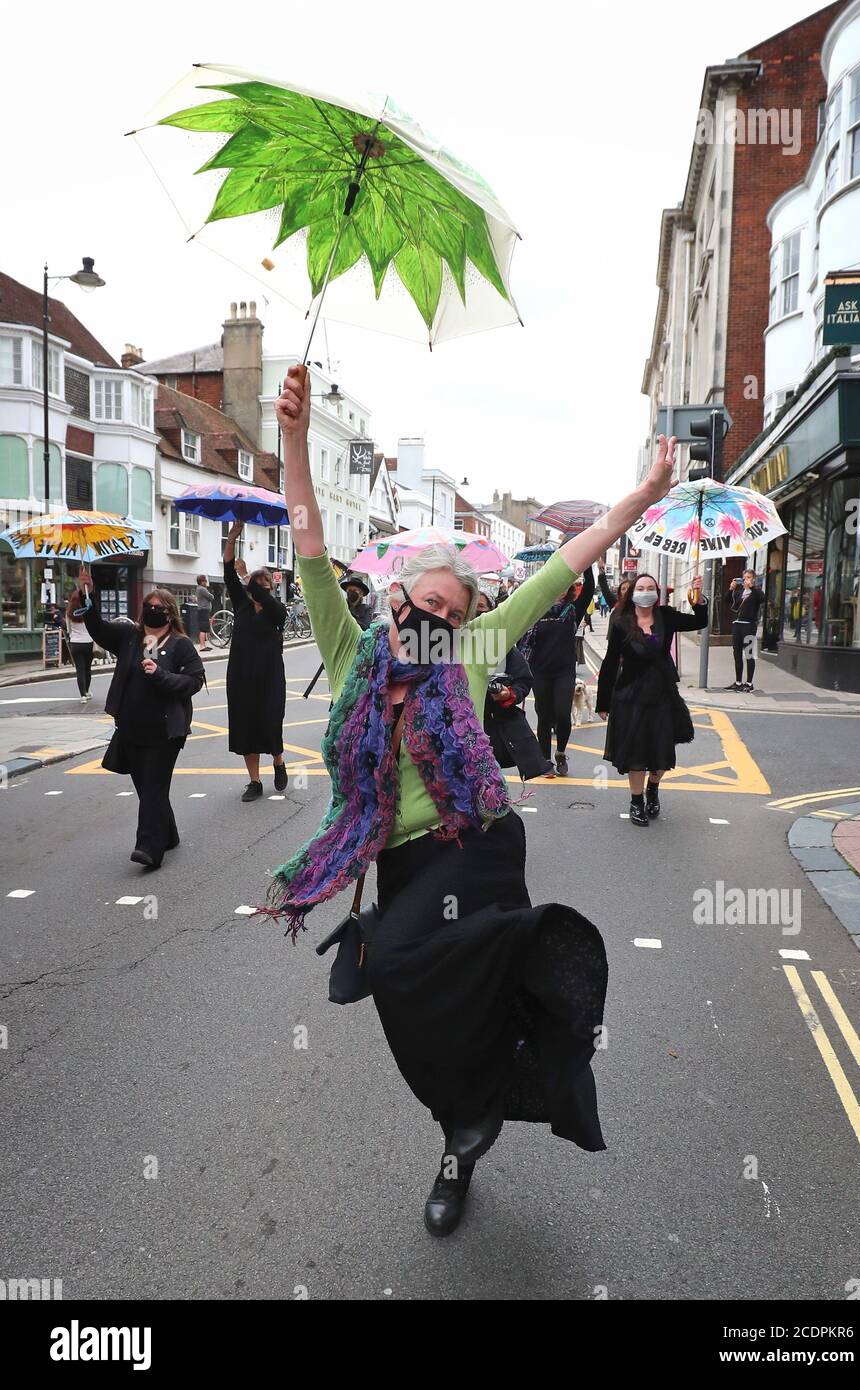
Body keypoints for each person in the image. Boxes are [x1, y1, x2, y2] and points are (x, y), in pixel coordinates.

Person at [269, 363, 676, 1236]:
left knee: (459, 970)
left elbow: (572, 556)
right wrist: (294, 438)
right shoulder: (353, 653)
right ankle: (462, 1126)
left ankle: (492, 1080)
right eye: (425, 603)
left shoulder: (478, 647)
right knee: (410, 999)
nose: (436, 620)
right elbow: (306, 538)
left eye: (452, 611)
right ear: (397, 600)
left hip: (480, 844)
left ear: (467, 617)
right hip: (404, 859)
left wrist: (641, 494)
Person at [77, 567, 204, 867]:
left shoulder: (180, 645)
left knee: (153, 788)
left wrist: (161, 675)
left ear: (170, 614)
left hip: (165, 733)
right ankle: (168, 834)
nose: (151, 611)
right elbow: (98, 629)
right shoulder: (129, 636)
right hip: (131, 729)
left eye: (158, 608)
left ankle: (149, 848)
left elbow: (194, 682)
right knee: (147, 789)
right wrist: (88, 593)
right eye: (148, 607)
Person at [595, 571, 708, 826]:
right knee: (635, 751)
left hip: (662, 693)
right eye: (641, 587)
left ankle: (653, 789)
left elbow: (699, 622)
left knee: (661, 748)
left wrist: (698, 598)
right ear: (633, 593)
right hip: (630, 694)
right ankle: (636, 802)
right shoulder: (621, 623)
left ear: (657, 594)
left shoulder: (665, 616)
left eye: (651, 587)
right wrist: (603, 702)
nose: (646, 591)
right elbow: (610, 663)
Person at [223, 521, 288, 802]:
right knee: (246, 725)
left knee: (270, 722)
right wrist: (231, 538)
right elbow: (227, 574)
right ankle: (254, 781)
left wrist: (248, 576)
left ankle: (278, 759)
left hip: (270, 677)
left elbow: (261, 594)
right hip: (241, 676)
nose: (257, 590)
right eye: (254, 586)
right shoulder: (242, 606)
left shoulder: (277, 611)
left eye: (262, 587)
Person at [517, 564, 595, 778]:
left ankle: (560, 753)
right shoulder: (535, 611)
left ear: (569, 589)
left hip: (563, 672)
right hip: (539, 671)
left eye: (563, 586)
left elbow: (589, 589)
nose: (558, 590)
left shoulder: (573, 610)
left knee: (562, 714)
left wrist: (588, 565)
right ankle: (545, 760)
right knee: (543, 715)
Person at [474, 589, 552, 780]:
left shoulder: (502, 645)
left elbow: (523, 680)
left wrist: (508, 694)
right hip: (460, 729)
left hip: (494, 729)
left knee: (492, 784)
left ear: (492, 612)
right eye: (470, 609)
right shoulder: (450, 644)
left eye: (482, 608)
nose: (477, 615)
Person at [727, 570, 766, 692]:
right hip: (737, 626)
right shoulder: (739, 593)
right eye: (744, 578)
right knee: (737, 654)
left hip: (749, 626)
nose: (746, 580)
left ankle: (749, 683)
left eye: (749, 577)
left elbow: (762, 599)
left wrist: (752, 587)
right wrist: (730, 589)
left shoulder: (756, 592)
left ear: (753, 579)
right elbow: (727, 600)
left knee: (749, 655)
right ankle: (738, 682)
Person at [66, 585, 95, 703]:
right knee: (88, 669)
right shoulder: (87, 612)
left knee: (80, 670)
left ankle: (82, 695)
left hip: (75, 644)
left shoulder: (69, 614)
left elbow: (68, 630)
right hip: (88, 643)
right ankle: (87, 692)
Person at [195, 574, 215, 651]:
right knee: (203, 628)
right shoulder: (202, 589)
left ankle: (204, 645)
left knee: (205, 627)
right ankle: (202, 646)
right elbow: (211, 597)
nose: (206, 582)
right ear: (201, 581)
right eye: (205, 581)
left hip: (203, 611)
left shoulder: (199, 589)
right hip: (203, 611)